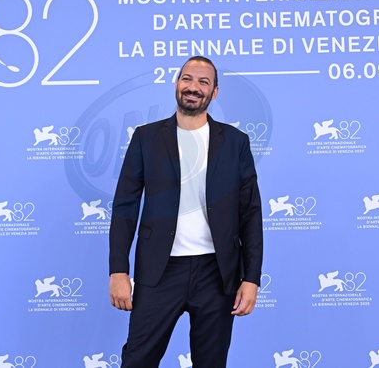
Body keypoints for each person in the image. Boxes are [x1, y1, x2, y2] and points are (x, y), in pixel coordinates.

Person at [108, 56, 263, 367]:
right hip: (159, 271)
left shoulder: (235, 143)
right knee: (137, 361)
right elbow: (125, 206)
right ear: (177, 84)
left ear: (214, 92)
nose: (194, 87)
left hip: (217, 274)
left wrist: (251, 278)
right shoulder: (146, 138)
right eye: (187, 79)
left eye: (203, 82)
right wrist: (118, 271)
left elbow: (250, 213)